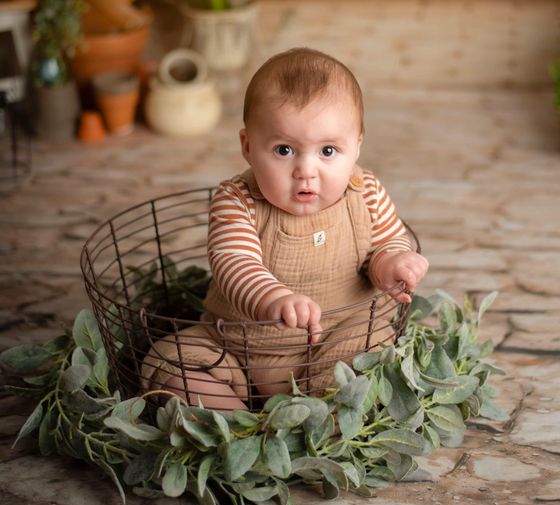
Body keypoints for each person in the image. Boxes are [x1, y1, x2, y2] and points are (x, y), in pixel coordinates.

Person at [142, 48, 429, 410]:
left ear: (356, 147)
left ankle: (320, 419)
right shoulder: (237, 201)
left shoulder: (366, 191)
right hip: (239, 345)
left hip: (338, 340)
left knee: (367, 359)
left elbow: (387, 242)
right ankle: (239, 428)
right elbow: (234, 263)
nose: (306, 170)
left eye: (328, 151)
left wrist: (394, 263)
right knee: (173, 363)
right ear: (248, 147)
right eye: (283, 150)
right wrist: (274, 299)